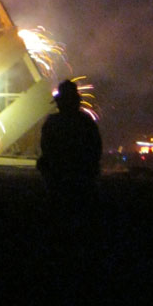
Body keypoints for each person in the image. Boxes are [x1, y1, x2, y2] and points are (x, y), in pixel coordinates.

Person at [37, 79, 102, 217]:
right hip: (83, 178)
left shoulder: (52, 122)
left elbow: (46, 149)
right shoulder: (86, 122)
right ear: (77, 101)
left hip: (58, 177)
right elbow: (96, 149)